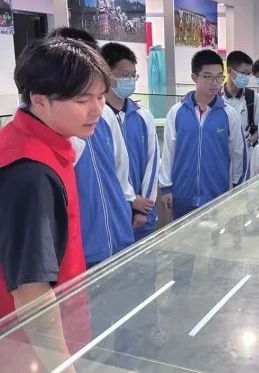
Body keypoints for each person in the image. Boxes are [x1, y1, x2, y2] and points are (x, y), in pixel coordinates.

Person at [0, 38, 108, 369]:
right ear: (39, 99)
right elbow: (31, 291)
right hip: (28, 351)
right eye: (82, 99)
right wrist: (62, 366)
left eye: (101, 96)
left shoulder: (37, 142)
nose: (97, 109)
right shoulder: (31, 172)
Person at [48, 28, 136, 268]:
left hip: (118, 235)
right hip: (79, 247)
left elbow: (121, 168)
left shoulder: (104, 114)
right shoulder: (47, 125)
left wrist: (127, 208)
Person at [160, 49, 246, 220]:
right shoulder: (177, 112)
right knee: (183, 236)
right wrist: (166, 187)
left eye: (219, 77)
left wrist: (237, 187)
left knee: (216, 236)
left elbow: (238, 153)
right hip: (182, 194)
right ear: (194, 77)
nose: (215, 83)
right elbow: (168, 151)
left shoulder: (229, 114)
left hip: (217, 194)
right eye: (208, 77)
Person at [101, 42, 160, 241]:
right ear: (106, 73)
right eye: (125, 75)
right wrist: (130, 199)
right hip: (112, 208)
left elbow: (153, 162)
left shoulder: (143, 116)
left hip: (143, 209)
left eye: (134, 75)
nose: (131, 81)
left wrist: (144, 206)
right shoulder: (97, 118)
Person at [222, 50, 257, 146]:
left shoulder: (252, 97)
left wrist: (249, 143)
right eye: (243, 73)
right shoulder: (217, 97)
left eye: (248, 74)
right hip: (222, 148)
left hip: (246, 150)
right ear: (230, 71)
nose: (246, 77)